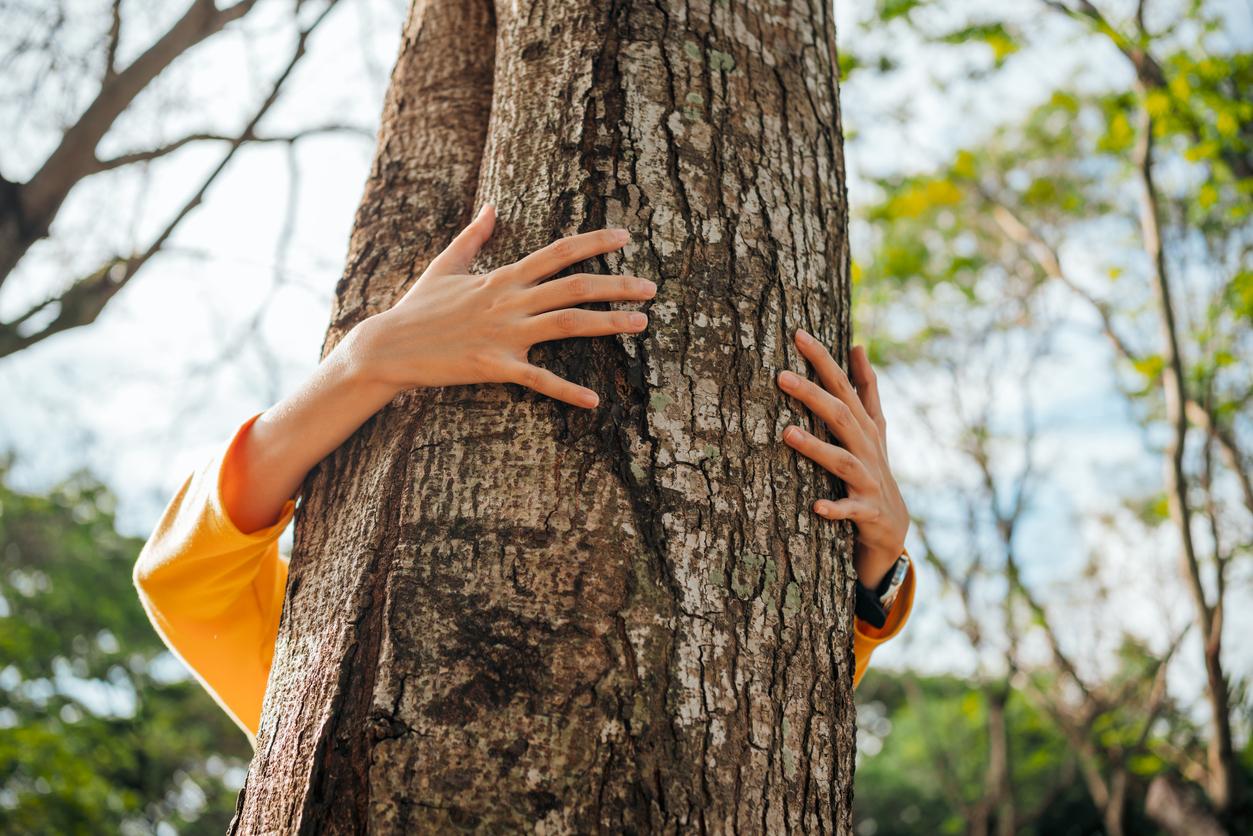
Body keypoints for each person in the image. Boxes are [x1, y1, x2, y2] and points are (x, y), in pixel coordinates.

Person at [132, 205, 915, 749]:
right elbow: (184, 581)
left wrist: (874, 569)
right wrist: (367, 360)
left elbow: (763, 705)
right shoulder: (306, 673)